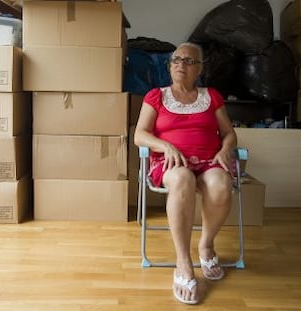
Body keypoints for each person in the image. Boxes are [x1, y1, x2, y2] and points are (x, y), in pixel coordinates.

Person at [134, 42, 237, 305]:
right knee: (182, 178)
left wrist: (225, 150)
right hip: (170, 164)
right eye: (176, 59)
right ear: (170, 66)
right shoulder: (156, 96)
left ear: (199, 68)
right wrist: (165, 145)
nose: (181, 64)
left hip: (208, 161)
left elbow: (229, 134)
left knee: (221, 184)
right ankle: (183, 261)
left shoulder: (211, 96)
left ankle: (206, 245)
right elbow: (139, 135)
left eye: (189, 61)